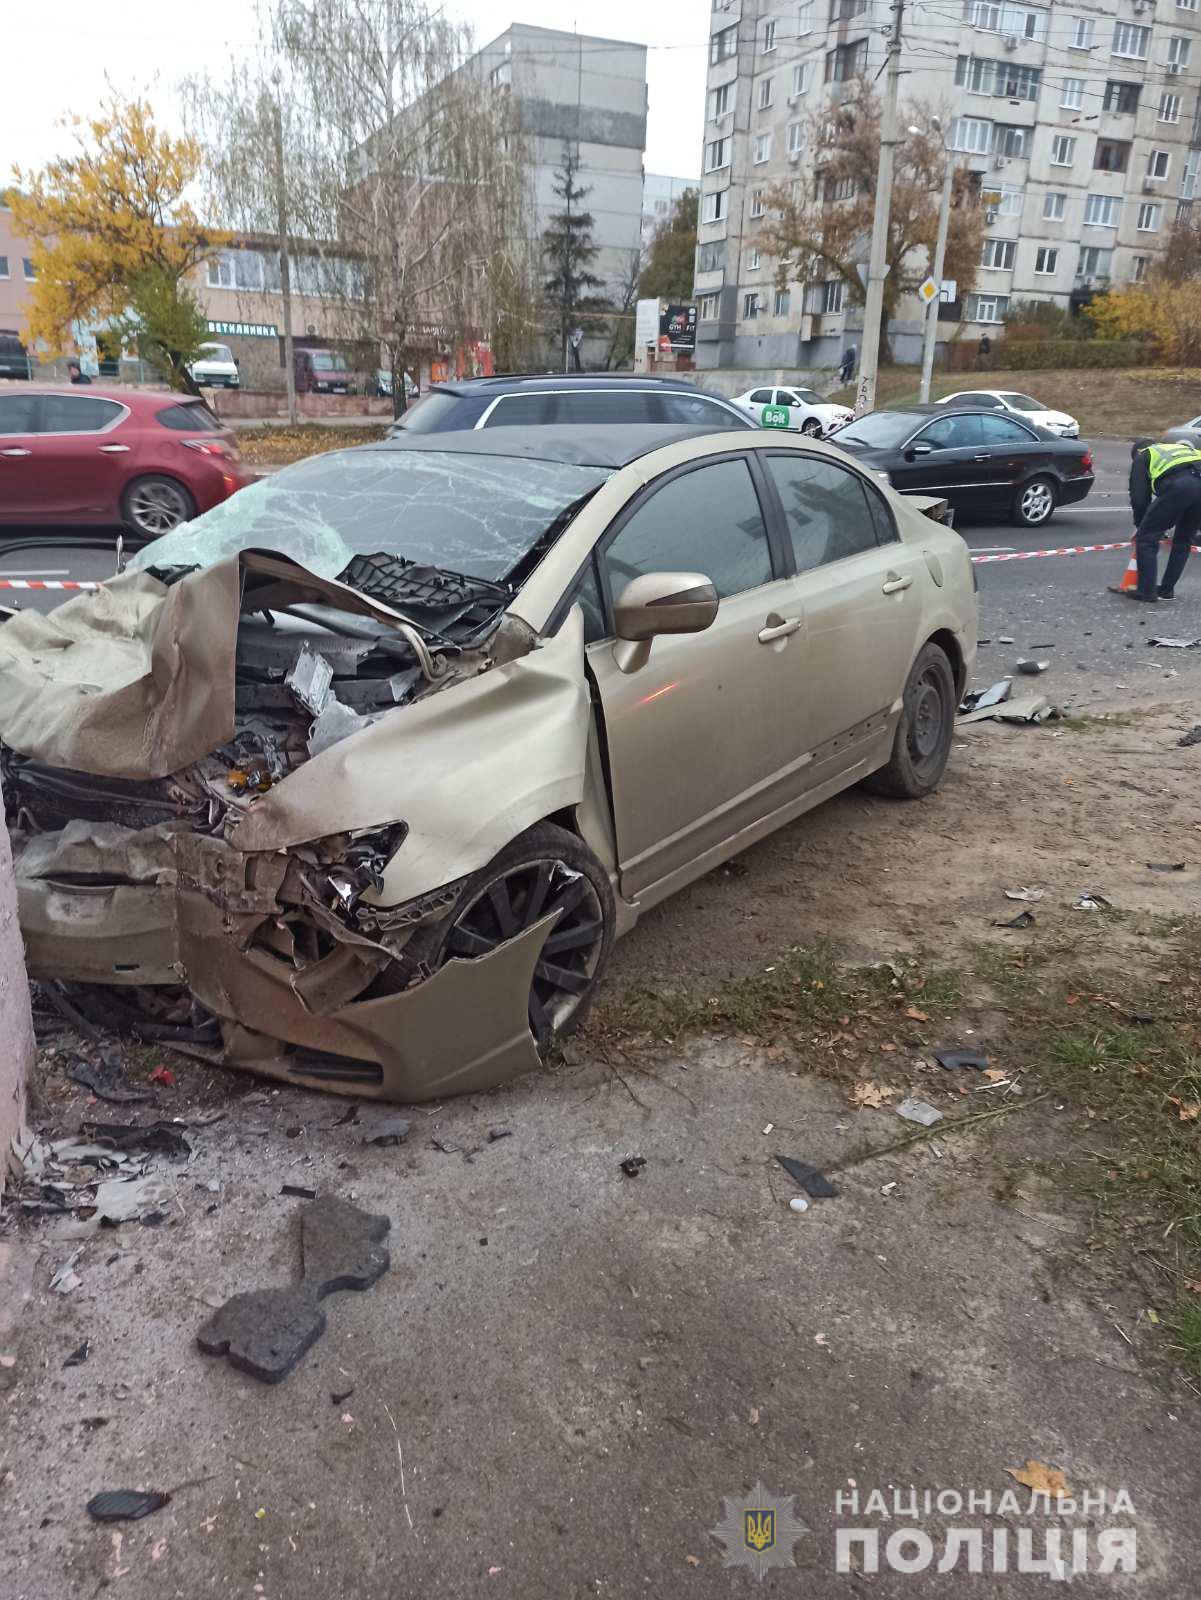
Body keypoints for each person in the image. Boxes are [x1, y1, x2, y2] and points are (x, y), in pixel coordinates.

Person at [1113, 436, 1201, 602]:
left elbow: (1139, 499)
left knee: (1146, 539)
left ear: (1137, 452)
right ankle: (1166, 590)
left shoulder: (1144, 455)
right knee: (1183, 541)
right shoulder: (1176, 449)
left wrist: (1142, 526)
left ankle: (1146, 591)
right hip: (1193, 479)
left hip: (1182, 485)